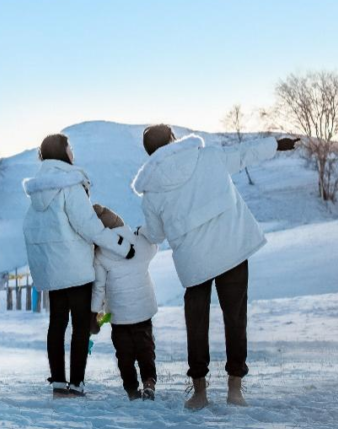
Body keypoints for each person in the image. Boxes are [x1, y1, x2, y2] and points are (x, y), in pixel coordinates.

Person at [131, 124, 298, 410]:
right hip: (231, 248)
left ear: (149, 152)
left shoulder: (152, 190)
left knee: (196, 324)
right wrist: (276, 145)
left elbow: (156, 235)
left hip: (195, 263)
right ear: (173, 140)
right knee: (236, 319)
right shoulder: (207, 157)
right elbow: (245, 154)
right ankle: (235, 390)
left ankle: (199, 393)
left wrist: (142, 232)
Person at [22, 133, 136, 399]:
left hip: (52, 270)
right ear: (63, 151)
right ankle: (77, 384)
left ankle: (58, 384)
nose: (73, 150)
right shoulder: (69, 184)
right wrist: (122, 246)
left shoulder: (37, 191)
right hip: (75, 267)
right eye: (70, 146)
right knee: (81, 326)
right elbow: (89, 226)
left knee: (57, 324)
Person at [90, 204, 160, 401]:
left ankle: (131, 390)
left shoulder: (100, 255)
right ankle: (149, 383)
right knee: (146, 349)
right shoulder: (139, 243)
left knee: (124, 354)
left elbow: (99, 288)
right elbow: (155, 245)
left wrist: (95, 313)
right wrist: (141, 232)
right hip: (143, 312)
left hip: (118, 317)